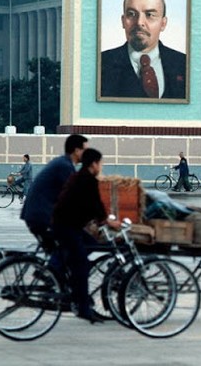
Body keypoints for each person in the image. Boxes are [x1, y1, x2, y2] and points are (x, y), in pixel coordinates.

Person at [52, 148, 121, 323]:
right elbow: (95, 205)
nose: (101, 166)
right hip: (67, 226)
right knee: (81, 265)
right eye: (101, 163)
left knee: (89, 243)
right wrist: (107, 221)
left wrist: (101, 220)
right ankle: (82, 307)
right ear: (94, 164)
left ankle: (61, 271)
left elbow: (90, 206)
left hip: (66, 224)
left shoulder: (80, 176)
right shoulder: (87, 180)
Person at [100, 0, 186, 99]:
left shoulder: (185, 64)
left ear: (163, 23)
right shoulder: (100, 64)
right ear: (123, 21)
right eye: (131, 14)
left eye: (150, 15)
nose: (139, 22)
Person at [20, 134, 88, 246]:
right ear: (77, 150)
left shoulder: (63, 162)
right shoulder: (64, 166)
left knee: (64, 248)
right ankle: (55, 264)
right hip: (42, 217)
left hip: (37, 215)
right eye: (85, 150)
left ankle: (57, 262)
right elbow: (75, 197)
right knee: (79, 242)